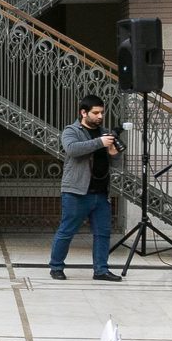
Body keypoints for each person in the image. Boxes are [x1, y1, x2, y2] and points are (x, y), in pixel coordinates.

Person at [49, 95, 124, 282]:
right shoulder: (71, 130)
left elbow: (115, 164)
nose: (100, 116)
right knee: (67, 231)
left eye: (102, 113)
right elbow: (72, 149)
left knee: (103, 234)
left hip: (101, 192)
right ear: (84, 113)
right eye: (95, 113)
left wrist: (114, 154)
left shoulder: (104, 132)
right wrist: (100, 142)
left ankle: (101, 270)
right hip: (76, 192)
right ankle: (56, 267)